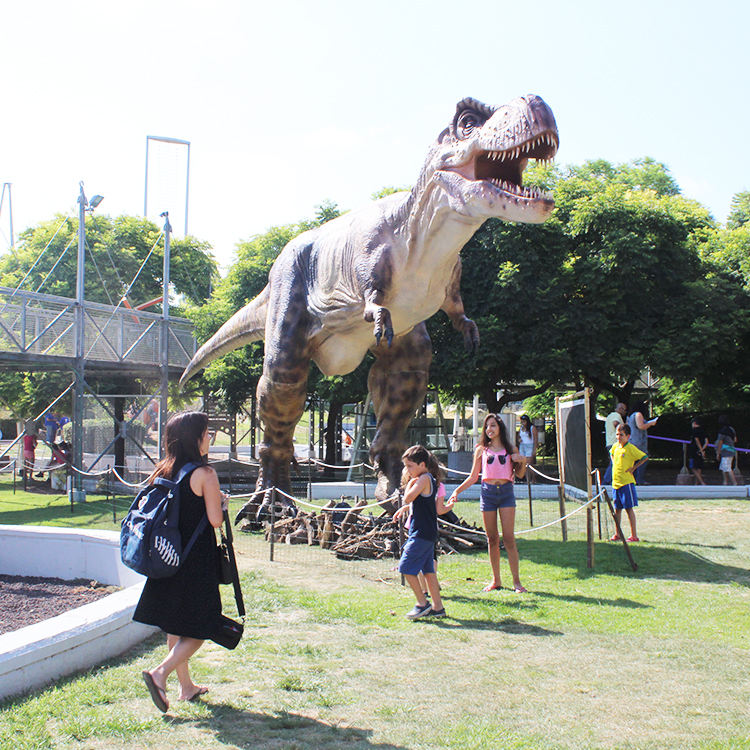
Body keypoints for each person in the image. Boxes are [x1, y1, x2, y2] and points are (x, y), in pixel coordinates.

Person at [133, 411, 228, 712]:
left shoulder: (164, 470)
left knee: (175, 625)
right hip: (195, 561)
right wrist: (221, 502)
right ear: (195, 438)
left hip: (166, 557)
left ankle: (186, 687)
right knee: (202, 625)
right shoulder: (205, 474)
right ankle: (160, 674)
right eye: (206, 433)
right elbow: (215, 520)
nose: (209, 438)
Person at [448, 413, 528, 593]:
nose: (489, 429)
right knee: (492, 539)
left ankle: (517, 582)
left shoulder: (511, 449)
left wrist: (522, 461)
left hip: (506, 493)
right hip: (488, 493)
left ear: (500, 428)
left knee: (509, 538)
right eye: (486, 426)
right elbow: (473, 477)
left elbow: (520, 474)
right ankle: (496, 581)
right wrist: (456, 491)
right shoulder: (481, 450)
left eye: (493, 425)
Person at [393, 445, 448, 619]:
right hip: (427, 532)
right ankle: (438, 607)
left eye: (410, 466)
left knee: (406, 567)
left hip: (422, 533)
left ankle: (422, 604)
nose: (407, 470)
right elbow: (416, 503)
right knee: (428, 571)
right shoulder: (428, 479)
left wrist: (410, 483)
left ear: (422, 464)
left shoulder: (423, 479)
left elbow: (408, 497)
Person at [609, 423, 647, 542]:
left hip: (626, 483)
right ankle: (618, 534)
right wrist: (614, 462)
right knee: (617, 509)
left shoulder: (630, 448)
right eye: (617, 434)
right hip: (616, 483)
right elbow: (611, 453)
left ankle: (634, 535)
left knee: (629, 509)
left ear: (628, 436)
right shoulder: (615, 446)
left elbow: (644, 457)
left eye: (621, 435)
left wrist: (633, 468)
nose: (618, 437)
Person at [626, 401, 657, 484]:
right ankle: (639, 479)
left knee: (634, 461)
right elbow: (641, 426)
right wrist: (651, 423)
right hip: (638, 441)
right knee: (643, 459)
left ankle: (632, 479)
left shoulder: (630, 416)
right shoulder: (638, 414)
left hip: (632, 441)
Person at [603, 403, 627, 485]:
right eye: (625, 410)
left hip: (610, 443)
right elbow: (616, 424)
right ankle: (606, 481)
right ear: (620, 409)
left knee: (616, 462)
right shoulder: (616, 415)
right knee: (615, 463)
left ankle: (612, 480)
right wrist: (624, 432)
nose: (625, 412)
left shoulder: (610, 416)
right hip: (615, 443)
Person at [715, 415, 738, 486]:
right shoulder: (731, 429)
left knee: (727, 467)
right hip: (731, 450)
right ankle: (725, 482)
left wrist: (718, 453)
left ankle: (734, 483)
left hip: (725, 452)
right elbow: (735, 440)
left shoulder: (722, 432)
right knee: (723, 467)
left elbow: (720, 443)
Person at [686, 417, 708, 485]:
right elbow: (707, 442)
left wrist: (700, 450)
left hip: (694, 450)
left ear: (694, 423)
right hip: (701, 451)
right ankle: (696, 483)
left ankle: (702, 482)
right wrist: (703, 449)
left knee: (692, 467)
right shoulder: (703, 430)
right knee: (699, 467)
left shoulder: (694, 430)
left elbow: (697, 440)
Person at [517, 415, 538, 480]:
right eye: (522, 421)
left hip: (529, 446)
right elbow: (518, 436)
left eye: (524, 421)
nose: (523, 423)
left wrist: (534, 449)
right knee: (524, 464)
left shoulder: (532, 428)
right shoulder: (521, 428)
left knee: (529, 464)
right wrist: (519, 439)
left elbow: (535, 439)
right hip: (522, 446)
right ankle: (527, 479)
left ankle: (533, 478)